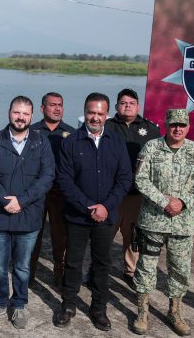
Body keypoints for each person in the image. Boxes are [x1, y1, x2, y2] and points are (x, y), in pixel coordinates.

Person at [130, 109, 194, 336]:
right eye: (174, 124)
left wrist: (184, 202)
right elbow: (140, 179)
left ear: (188, 127)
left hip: (182, 224)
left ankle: (175, 311)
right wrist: (164, 201)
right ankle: (142, 312)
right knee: (146, 268)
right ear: (166, 125)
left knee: (179, 270)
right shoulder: (151, 147)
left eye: (182, 125)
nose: (178, 129)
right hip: (153, 222)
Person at [55, 92, 132, 332]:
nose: (95, 117)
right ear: (85, 112)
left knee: (102, 263)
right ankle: (68, 305)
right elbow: (65, 181)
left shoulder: (117, 142)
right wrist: (89, 207)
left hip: (106, 217)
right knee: (73, 263)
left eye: (100, 113)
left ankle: (98, 308)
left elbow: (124, 179)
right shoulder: (70, 142)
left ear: (107, 115)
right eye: (91, 112)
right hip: (78, 216)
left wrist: (105, 207)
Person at [0, 96, 55, 329]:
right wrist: (4, 200)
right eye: (16, 112)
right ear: (9, 112)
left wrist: (22, 200)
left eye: (25, 113)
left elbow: (47, 176)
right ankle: (0, 302)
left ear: (32, 116)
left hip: (28, 216)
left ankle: (19, 304)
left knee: (22, 267)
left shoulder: (41, 142)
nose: (20, 117)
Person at [105, 88, 160, 290]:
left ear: (138, 106)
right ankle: (98, 270)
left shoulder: (151, 129)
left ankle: (130, 271)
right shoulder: (106, 126)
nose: (127, 106)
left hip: (136, 195)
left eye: (131, 103)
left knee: (133, 236)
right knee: (104, 234)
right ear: (117, 106)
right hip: (110, 194)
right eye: (123, 103)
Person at [29, 92, 76, 286]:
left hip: (60, 193)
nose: (57, 108)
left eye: (60, 105)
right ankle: (28, 271)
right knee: (32, 233)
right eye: (52, 105)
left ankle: (59, 270)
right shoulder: (31, 132)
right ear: (42, 109)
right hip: (36, 192)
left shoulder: (72, 133)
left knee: (60, 235)